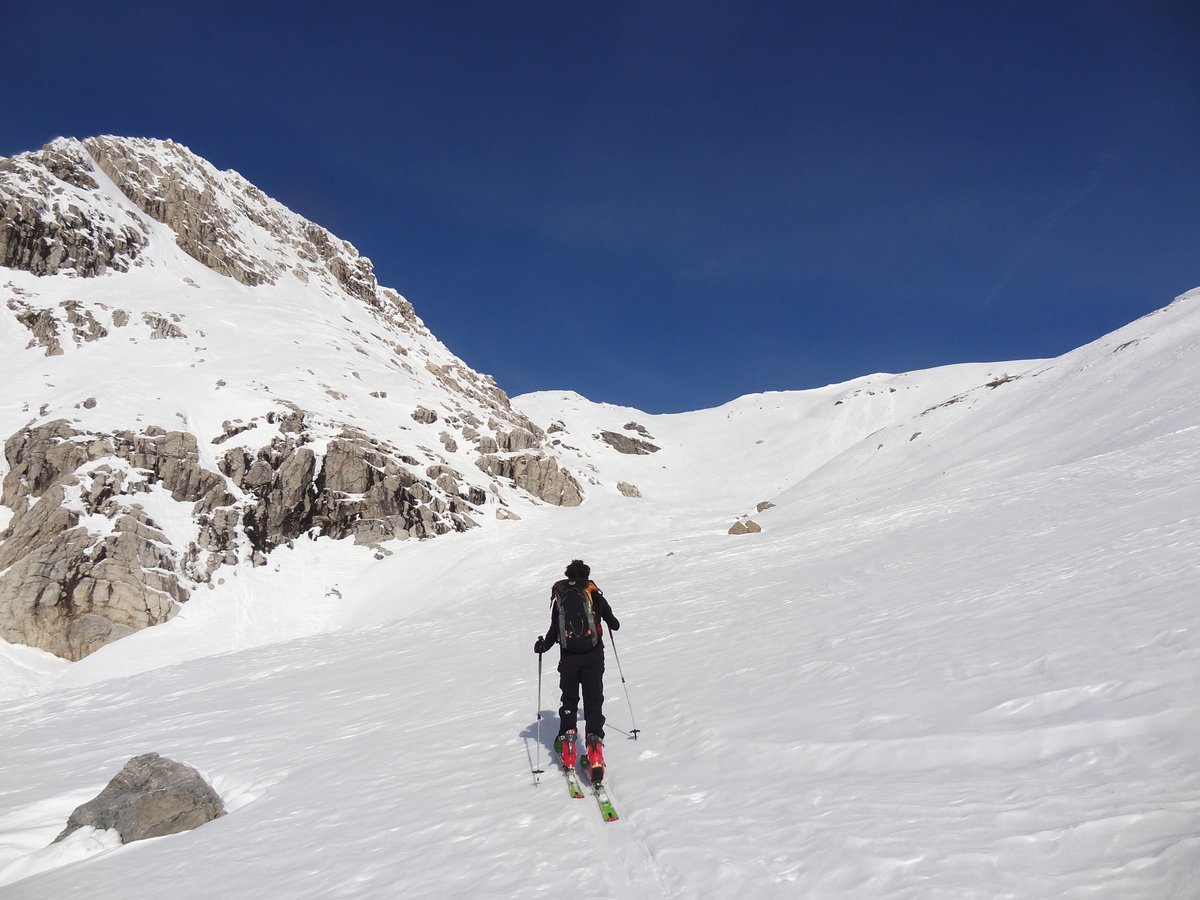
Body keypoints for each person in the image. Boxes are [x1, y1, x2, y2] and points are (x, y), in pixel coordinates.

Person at [533, 559, 620, 781]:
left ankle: (568, 744)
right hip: (593, 657)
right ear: (586, 575)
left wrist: (543, 645)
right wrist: (603, 618)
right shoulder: (592, 592)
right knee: (593, 701)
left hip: (569, 658)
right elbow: (614, 623)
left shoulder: (561, 595)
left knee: (569, 700)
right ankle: (595, 751)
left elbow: (554, 630)